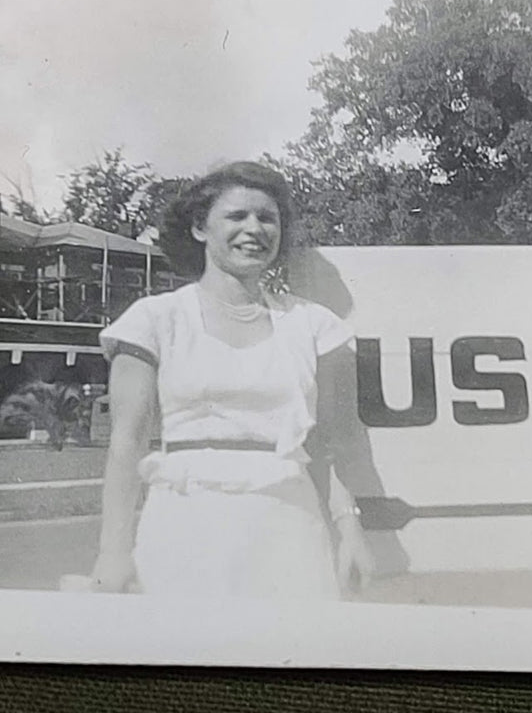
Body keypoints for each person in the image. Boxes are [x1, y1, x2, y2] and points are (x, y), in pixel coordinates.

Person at [88, 161, 374, 599]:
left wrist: (349, 529)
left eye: (268, 217)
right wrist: (113, 551)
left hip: (288, 526)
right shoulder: (155, 319)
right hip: (184, 524)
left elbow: (326, 444)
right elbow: (127, 443)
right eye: (237, 216)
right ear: (200, 228)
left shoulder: (314, 325)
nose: (255, 228)